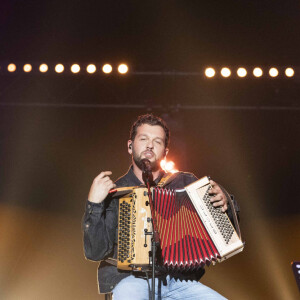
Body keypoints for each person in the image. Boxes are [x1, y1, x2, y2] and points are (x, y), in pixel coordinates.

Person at [82, 114, 240, 300]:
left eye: (157, 141)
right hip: (132, 280)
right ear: (130, 146)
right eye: (143, 139)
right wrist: (94, 204)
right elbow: (95, 252)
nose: (150, 145)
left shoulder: (185, 183)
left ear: (165, 151)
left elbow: (224, 227)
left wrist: (224, 200)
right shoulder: (116, 192)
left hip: (180, 281)